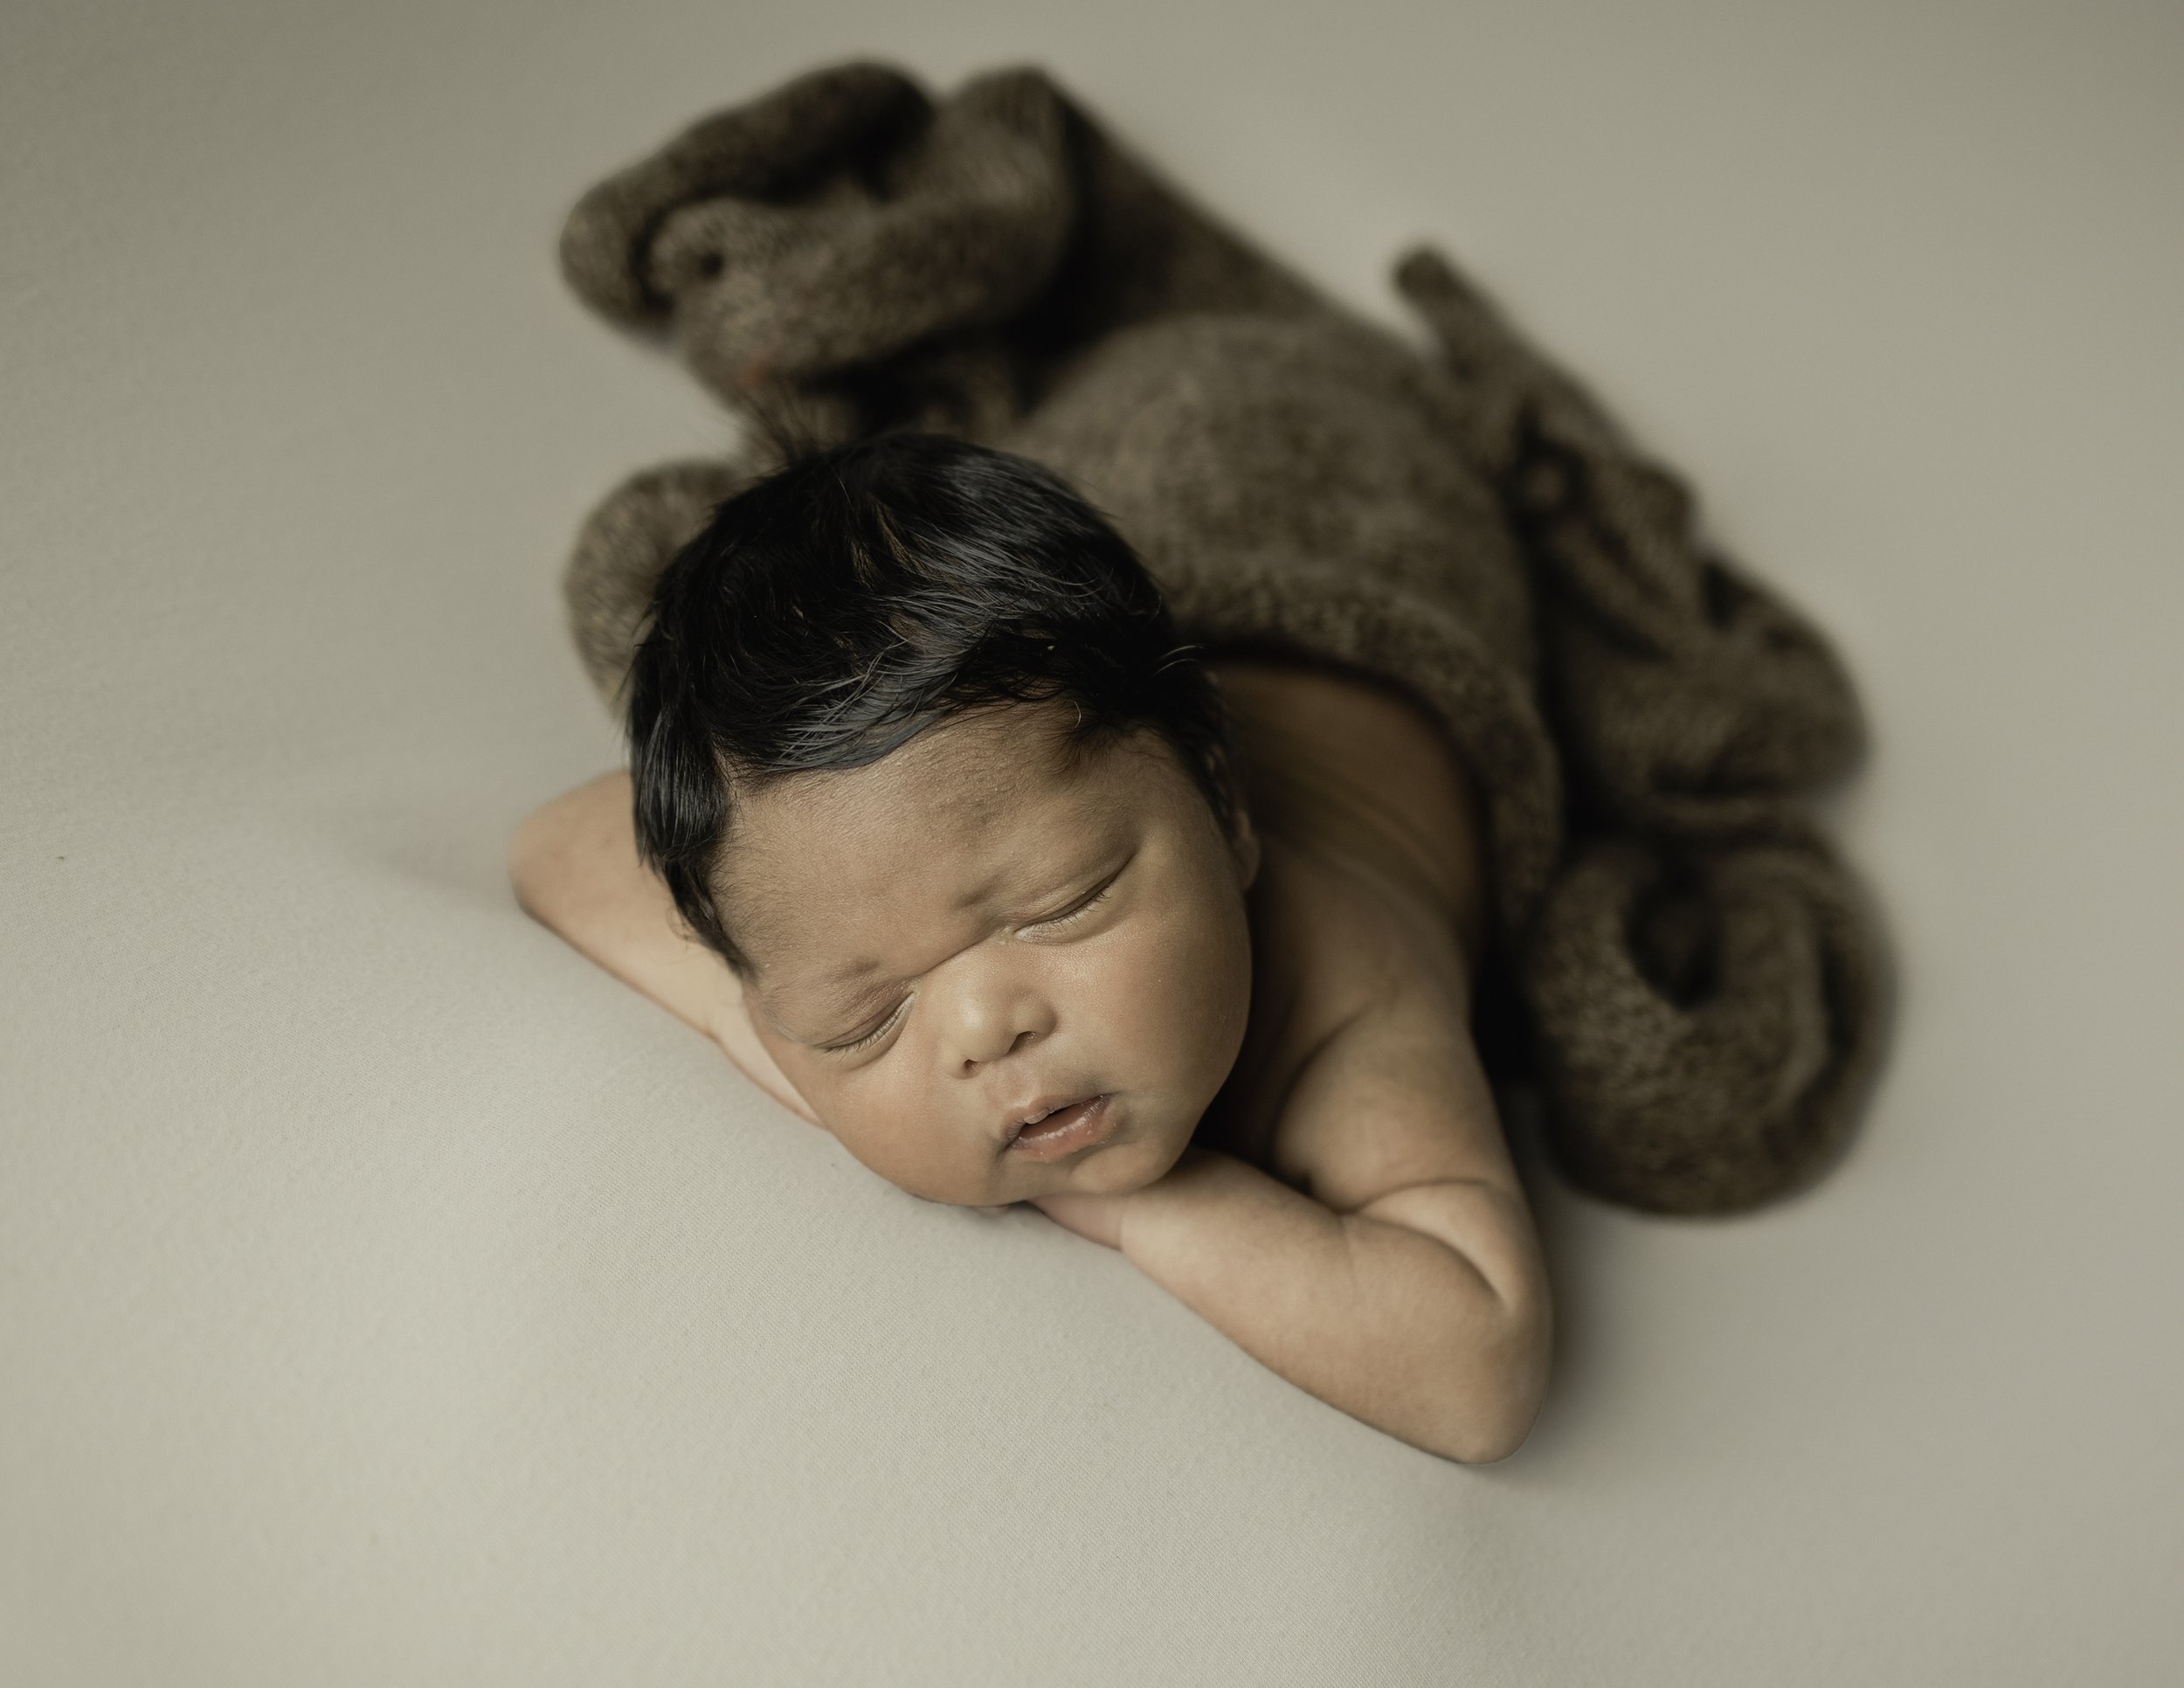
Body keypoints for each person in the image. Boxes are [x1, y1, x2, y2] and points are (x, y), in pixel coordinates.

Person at [508, 432, 1551, 1463]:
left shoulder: (1352, 999)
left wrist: (1141, 1211)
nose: (981, 1028)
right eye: (864, 1017)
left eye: (1061, 905)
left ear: (1225, 815)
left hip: (1350, 549)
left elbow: (1478, 1372)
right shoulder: (809, 916)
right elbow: (557, 847)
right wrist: (790, 1030)